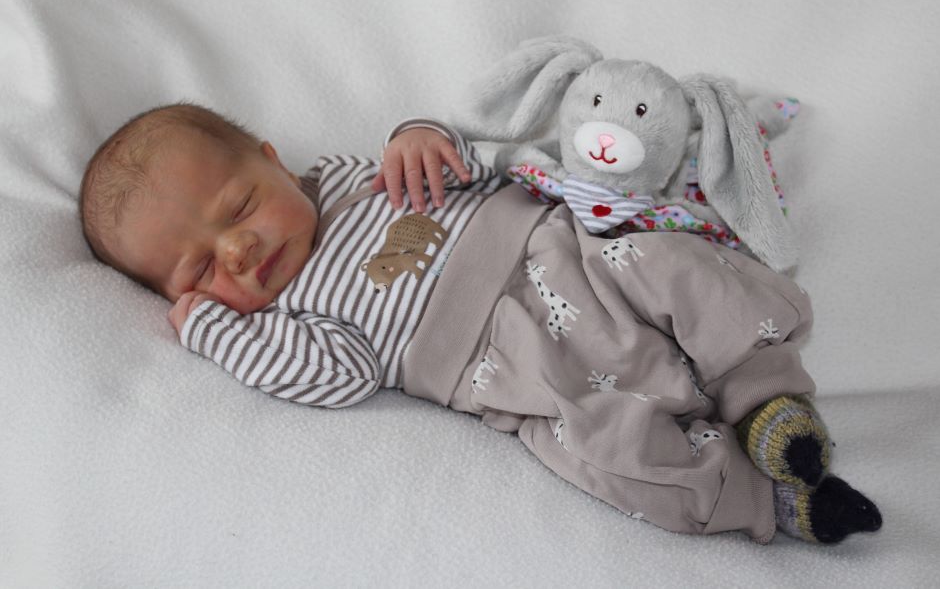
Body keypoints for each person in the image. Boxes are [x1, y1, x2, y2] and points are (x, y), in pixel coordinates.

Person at [79, 103, 882, 544]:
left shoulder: (349, 180)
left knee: (676, 269)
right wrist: (214, 331)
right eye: (200, 271)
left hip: (556, 250)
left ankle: (767, 399)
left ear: (272, 159)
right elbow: (335, 378)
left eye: (239, 207)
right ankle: (765, 500)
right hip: (508, 371)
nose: (239, 249)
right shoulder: (289, 322)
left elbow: (469, 157)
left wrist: (419, 137)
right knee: (608, 454)